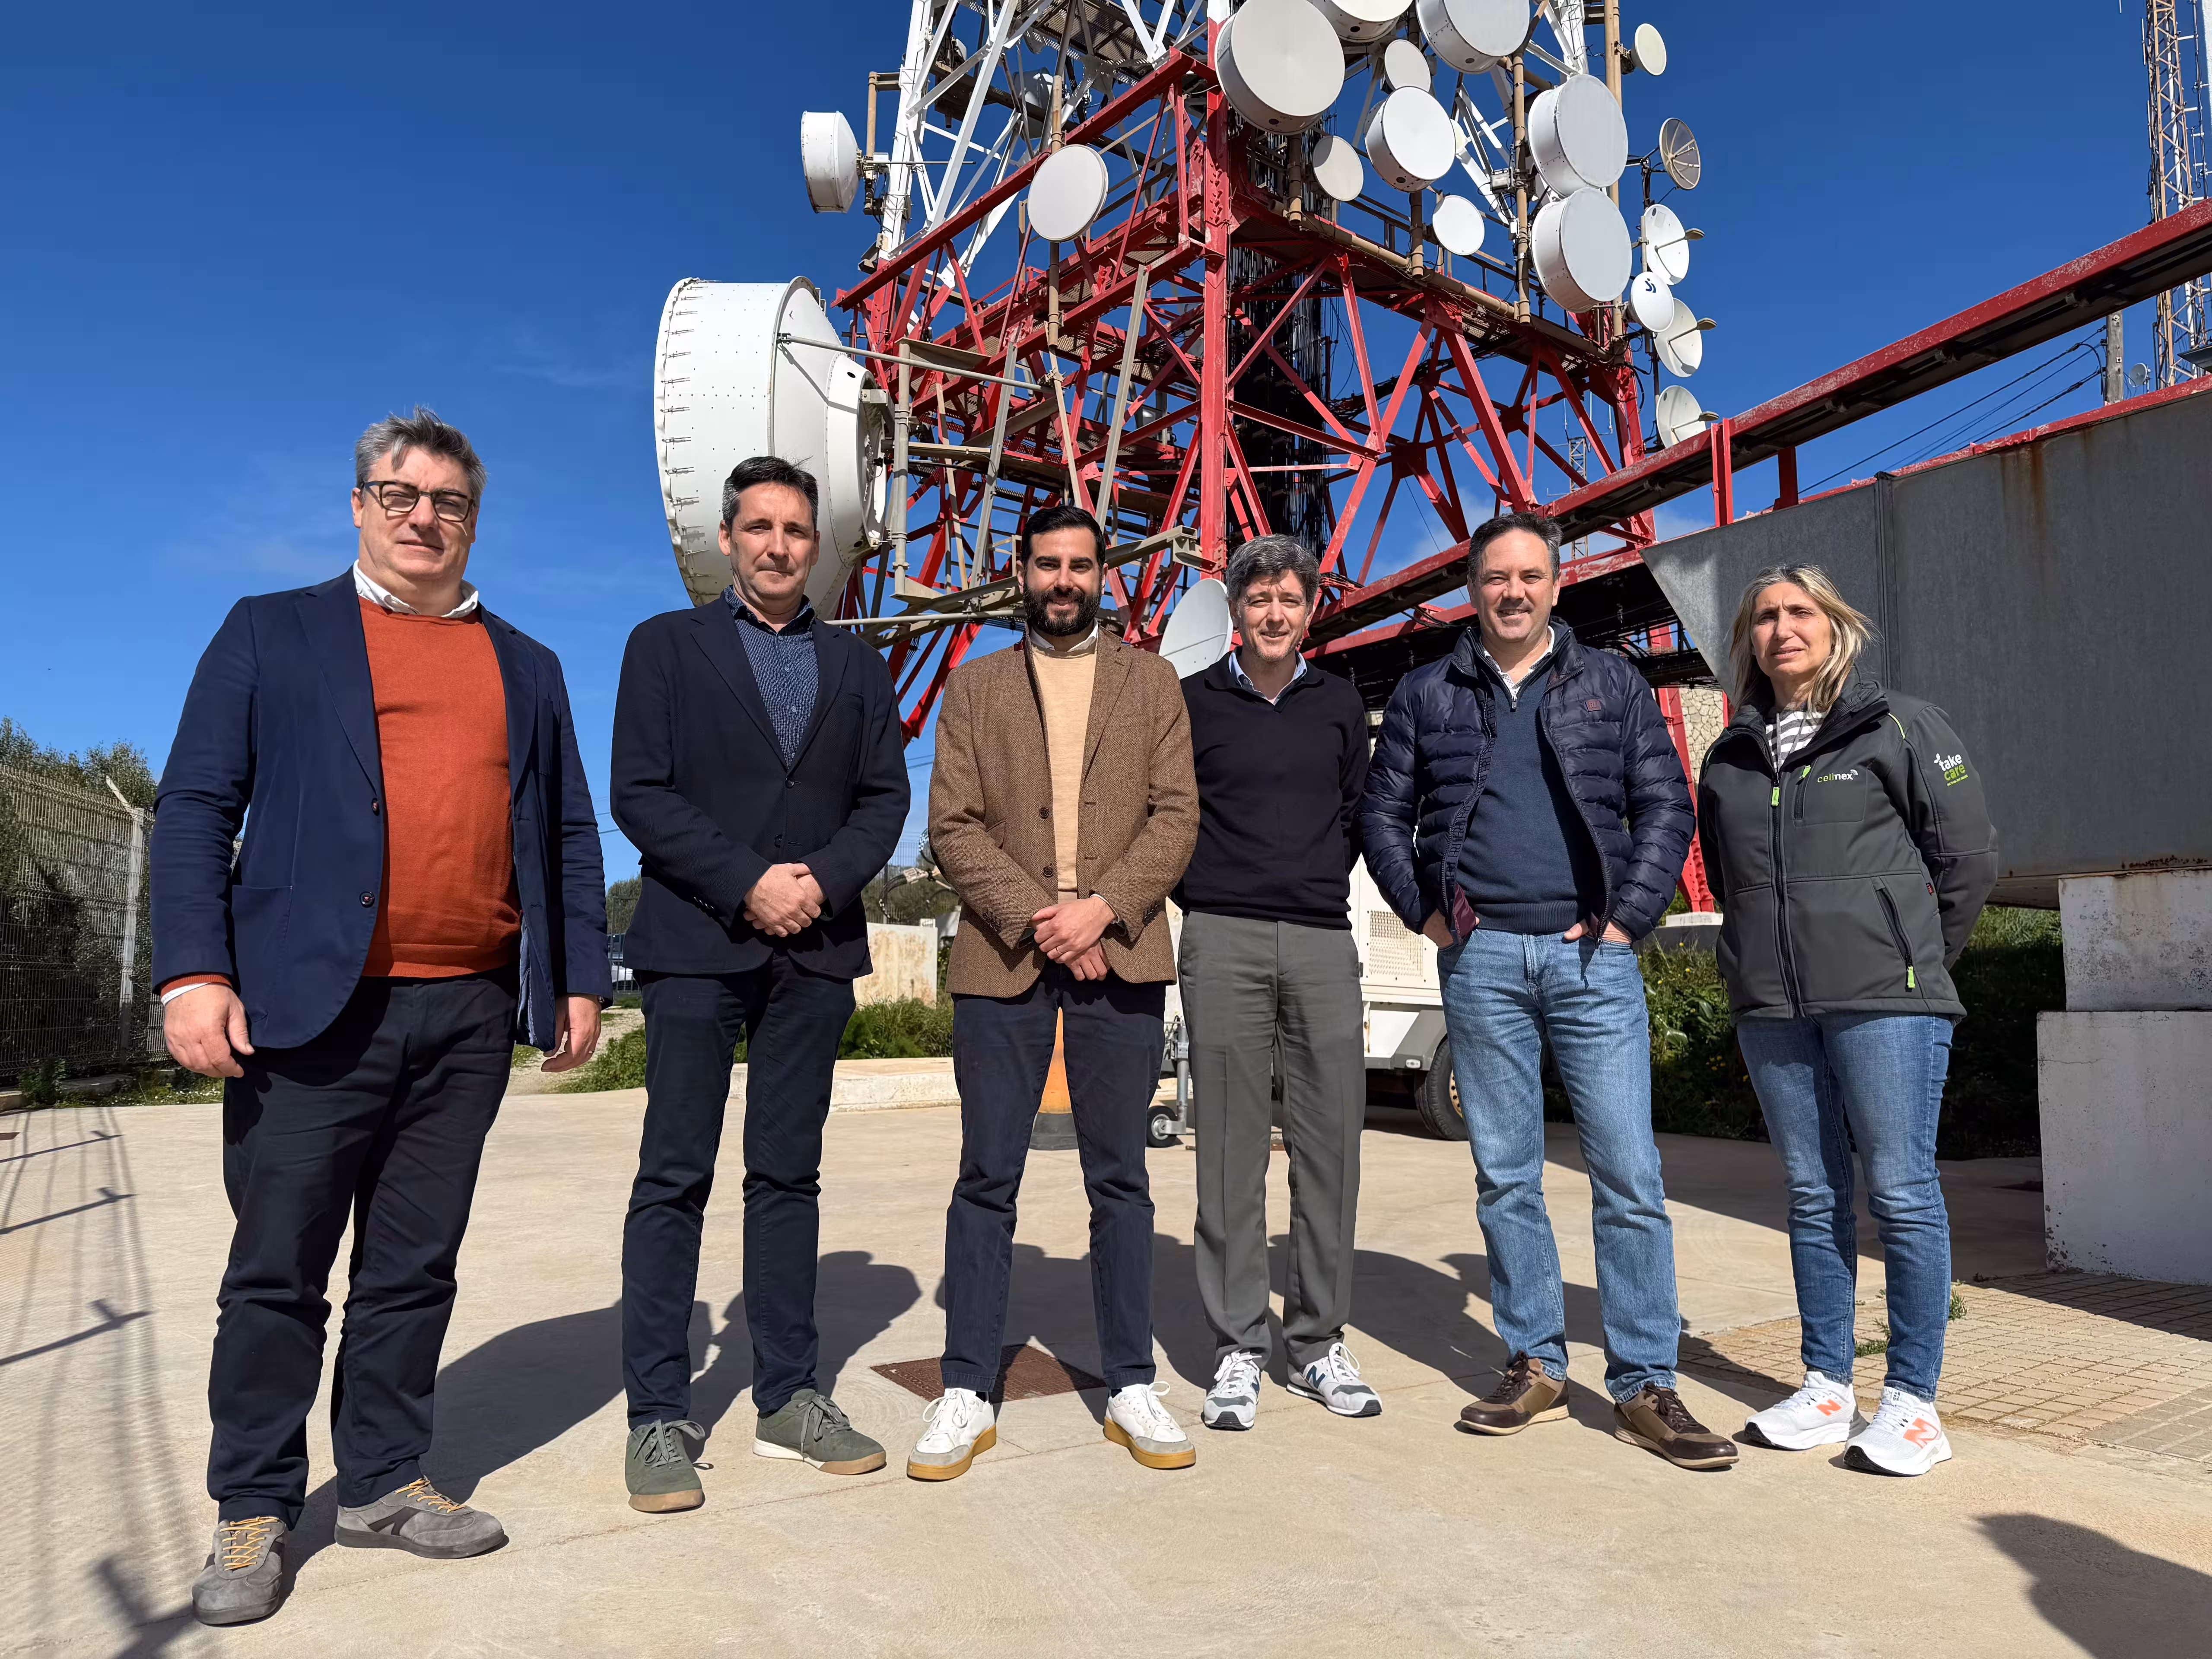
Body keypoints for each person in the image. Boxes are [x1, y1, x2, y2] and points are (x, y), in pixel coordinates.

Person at [154, 408, 609, 1627]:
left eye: (449, 502)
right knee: (278, 1272)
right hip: (311, 1015)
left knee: (414, 1269)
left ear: (474, 521)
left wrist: (579, 977)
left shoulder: (529, 666)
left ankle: (387, 1479)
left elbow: (567, 833)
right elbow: (198, 803)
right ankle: (253, 1502)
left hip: (464, 1013)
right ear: (358, 505)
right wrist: (193, 971)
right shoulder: (272, 633)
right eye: (399, 496)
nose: (424, 518)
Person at [1361, 510, 1738, 1471]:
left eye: (1530, 576)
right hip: (1481, 961)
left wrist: (1625, 921)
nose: (1513, 592)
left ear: (1556, 586)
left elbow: (1665, 804)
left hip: (1592, 962)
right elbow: (1382, 813)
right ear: (1473, 589)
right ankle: (1533, 1359)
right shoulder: (1425, 691)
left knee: (1627, 1176)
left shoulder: (1608, 680)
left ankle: (1645, 1380)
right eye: (1496, 578)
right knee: (1506, 1175)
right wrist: (1431, 919)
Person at [609, 455, 909, 1509]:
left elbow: (883, 802)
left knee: (788, 1177)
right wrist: (746, 884)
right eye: (760, 527)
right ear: (726, 539)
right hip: (696, 946)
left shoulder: (856, 665)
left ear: (815, 549)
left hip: (815, 953)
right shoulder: (664, 648)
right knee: (673, 1176)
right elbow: (639, 794)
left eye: (797, 531)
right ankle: (656, 1416)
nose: (780, 546)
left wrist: (817, 884)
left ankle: (788, 1395)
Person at [909, 502, 1198, 1481]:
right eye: (1047, 565)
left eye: (1080, 564)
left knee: (1121, 1177)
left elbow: (1175, 817)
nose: (1063, 580)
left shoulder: (1151, 682)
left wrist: (1102, 909)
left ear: (1101, 574)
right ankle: (965, 1388)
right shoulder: (975, 687)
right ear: (1020, 574)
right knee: (987, 1176)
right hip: (1007, 958)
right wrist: (1046, 916)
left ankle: (1129, 1380)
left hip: (1120, 952)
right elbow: (953, 825)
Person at [1698, 565, 1996, 1477]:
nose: (1782, 629)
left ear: (1835, 627)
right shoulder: (1729, 755)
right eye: (1764, 618)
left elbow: (1969, 859)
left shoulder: (1899, 724)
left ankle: (1912, 1403)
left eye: (1800, 613)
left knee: (1900, 1193)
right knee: (1812, 1195)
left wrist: (1911, 959)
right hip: (1774, 1006)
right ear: (1748, 639)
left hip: (1883, 1001)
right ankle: (1827, 1385)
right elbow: (1728, 877)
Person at [1174, 533, 1378, 1431]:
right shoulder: (1190, 704)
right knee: (1227, 1149)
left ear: (1309, 610)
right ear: (1236, 609)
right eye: (1257, 599)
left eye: (1288, 600)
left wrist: (1307, 878)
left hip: (1321, 939)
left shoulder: (1339, 703)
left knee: (1330, 1145)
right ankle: (1236, 1346)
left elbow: (1355, 810)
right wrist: (1214, 890)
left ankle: (1318, 1341)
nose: (1272, 613)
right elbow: (1169, 815)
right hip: (1220, 935)